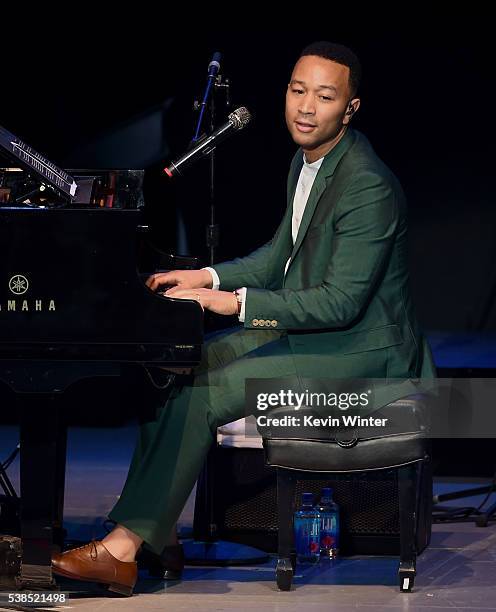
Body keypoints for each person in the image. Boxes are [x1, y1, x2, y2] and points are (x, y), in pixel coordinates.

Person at [51, 41, 435, 596]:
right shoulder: (308, 163)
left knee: (209, 390)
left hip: (364, 351)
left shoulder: (367, 184)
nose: (306, 107)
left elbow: (340, 303)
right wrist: (205, 277)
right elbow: (278, 257)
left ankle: (124, 548)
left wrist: (233, 304)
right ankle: (154, 533)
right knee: (179, 364)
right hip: (323, 335)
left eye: (324, 97)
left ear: (348, 109)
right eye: (297, 90)